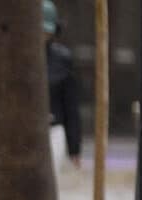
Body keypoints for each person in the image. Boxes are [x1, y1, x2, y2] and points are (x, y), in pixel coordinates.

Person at [44, 0, 82, 175]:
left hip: (53, 128)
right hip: (21, 131)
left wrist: (74, 146)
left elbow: (71, 105)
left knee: (49, 179)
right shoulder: (15, 58)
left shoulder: (62, 59)